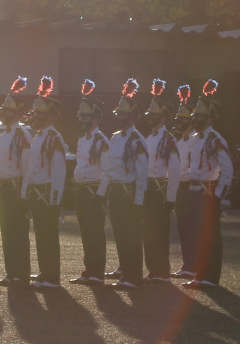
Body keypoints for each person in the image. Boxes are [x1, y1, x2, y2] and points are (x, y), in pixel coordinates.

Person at [98, 78, 148, 289]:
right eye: (117, 113)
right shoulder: (116, 138)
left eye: (123, 114)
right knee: (119, 234)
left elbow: (142, 173)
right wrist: (101, 192)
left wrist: (138, 201)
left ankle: (134, 276)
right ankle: (125, 273)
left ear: (132, 115)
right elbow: (110, 167)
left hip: (129, 194)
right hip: (116, 193)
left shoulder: (138, 140)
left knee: (131, 236)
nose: (118, 117)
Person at [182, 80, 233, 290]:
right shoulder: (194, 138)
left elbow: (227, 170)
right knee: (196, 234)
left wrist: (218, 194)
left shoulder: (215, 139)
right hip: (194, 190)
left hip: (209, 191)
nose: (195, 118)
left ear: (210, 116)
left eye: (200, 115)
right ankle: (200, 276)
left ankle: (211, 278)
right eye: (195, 115)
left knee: (210, 236)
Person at [23, 76, 67, 290]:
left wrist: (55, 201)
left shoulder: (53, 138)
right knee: (41, 236)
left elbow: (59, 172)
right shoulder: (38, 136)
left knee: (49, 237)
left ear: (49, 115)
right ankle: (44, 271)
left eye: (39, 113)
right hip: (37, 194)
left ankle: (52, 276)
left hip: (47, 195)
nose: (35, 117)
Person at [0, 76, 32, 288]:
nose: (2, 113)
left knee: (18, 233)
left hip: (17, 188)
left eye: (7, 110)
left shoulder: (21, 134)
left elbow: (26, 167)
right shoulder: (3, 135)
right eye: (2, 109)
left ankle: (22, 274)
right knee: (7, 232)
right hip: (5, 186)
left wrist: (24, 194)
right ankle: (11, 273)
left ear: (17, 113)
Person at [69, 79, 109, 286]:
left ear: (95, 118)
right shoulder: (82, 140)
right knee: (86, 231)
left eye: (85, 115)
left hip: (94, 190)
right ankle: (89, 269)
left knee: (95, 232)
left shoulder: (101, 140)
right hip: (82, 191)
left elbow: (108, 170)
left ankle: (97, 272)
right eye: (80, 115)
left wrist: (100, 194)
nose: (81, 119)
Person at [143, 79, 180, 283]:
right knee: (148, 232)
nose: (150, 117)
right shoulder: (149, 138)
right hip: (148, 188)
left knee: (159, 233)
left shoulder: (168, 139)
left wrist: (171, 197)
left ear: (163, 116)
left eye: (154, 114)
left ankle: (162, 271)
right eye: (150, 114)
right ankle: (153, 269)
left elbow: (174, 169)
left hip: (160, 189)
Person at [171, 85, 197, 280]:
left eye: (182, 119)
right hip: (181, 188)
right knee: (183, 228)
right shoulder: (180, 141)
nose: (178, 122)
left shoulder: (196, 140)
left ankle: (193, 264)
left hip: (191, 188)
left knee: (191, 227)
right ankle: (188, 263)